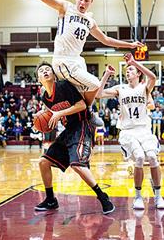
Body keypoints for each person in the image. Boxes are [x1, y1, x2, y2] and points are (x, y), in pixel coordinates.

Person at [29, 0, 144, 126]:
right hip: (63, 60)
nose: (83, 3)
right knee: (96, 84)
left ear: (91, 2)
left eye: (86, 1)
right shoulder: (65, 7)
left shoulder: (90, 21)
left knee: (83, 92)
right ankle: (88, 112)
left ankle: (78, 114)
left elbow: (105, 40)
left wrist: (130, 45)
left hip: (77, 60)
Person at [33, 61, 115, 214]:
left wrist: (59, 114)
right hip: (69, 129)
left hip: (82, 124)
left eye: (48, 69)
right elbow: (54, 116)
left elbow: (82, 105)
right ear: (39, 79)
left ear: (53, 75)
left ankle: (103, 197)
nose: (45, 71)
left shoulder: (63, 86)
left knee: (76, 165)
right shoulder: (45, 97)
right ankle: (51, 199)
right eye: (41, 71)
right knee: (43, 162)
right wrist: (44, 122)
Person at [96, 53, 164, 210]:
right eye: (126, 70)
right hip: (128, 131)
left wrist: (134, 61)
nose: (127, 72)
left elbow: (153, 77)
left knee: (152, 158)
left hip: (144, 130)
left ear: (138, 73)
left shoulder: (144, 88)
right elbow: (98, 94)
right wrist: (106, 75)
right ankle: (138, 196)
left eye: (131, 70)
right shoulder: (120, 88)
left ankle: (158, 195)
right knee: (140, 158)